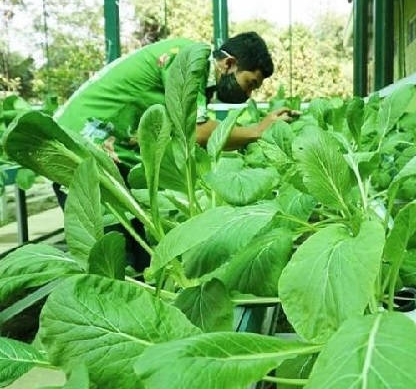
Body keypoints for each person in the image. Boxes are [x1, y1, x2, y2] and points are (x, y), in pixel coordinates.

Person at [52, 31, 295, 271]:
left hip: (109, 157)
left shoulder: (200, 81)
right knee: (112, 253)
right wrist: (258, 130)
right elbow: (198, 132)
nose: (248, 94)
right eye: (250, 83)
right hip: (79, 147)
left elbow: (207, 136)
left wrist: (260, 128)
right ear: (229, 64)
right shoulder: (188, 57)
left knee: (141, 247)